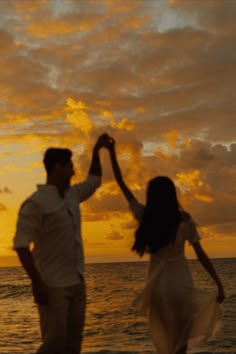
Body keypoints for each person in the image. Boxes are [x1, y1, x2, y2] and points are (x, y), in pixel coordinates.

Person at [105, 135, 225, 354]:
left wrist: (111, 152)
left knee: (165, 343)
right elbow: (201, 254)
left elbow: (121, 184)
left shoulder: (146, 218)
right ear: (172, 195)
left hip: (157, 287)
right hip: (180, 284)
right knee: (181, 344)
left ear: (151, 196)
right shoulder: (184, 220)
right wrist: (218, 283)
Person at [13, 134, 109, 354]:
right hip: (52, 284)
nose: (74, 171)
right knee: (54, 343)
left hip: (77, 281)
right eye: (70, 166)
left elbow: (94, 180)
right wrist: (37, 283)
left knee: (74, 344)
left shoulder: (72, 195)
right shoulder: (35, 203)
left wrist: (97, 150)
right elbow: (20, 245)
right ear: (57, 167)